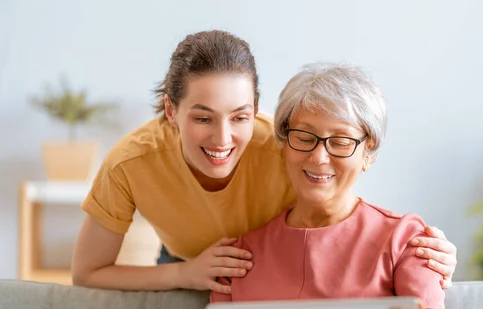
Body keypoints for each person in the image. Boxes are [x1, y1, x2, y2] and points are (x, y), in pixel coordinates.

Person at [71, 30, 458, 293]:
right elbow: (87, 273)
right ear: (171, 110)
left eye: (239, 117)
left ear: (256, 109)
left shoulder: (289, 146)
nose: (222, 139)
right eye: (203, 117)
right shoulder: (131, 163)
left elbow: (342, 216)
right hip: (185, 262)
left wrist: (418, 257)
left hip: (279, 264)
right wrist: (185, 273)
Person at [183, 62, 461, 309]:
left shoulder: (405, 238)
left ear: (368, 153)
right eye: (304, 137)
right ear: (284, 143)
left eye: (341, 141)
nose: (318, 157)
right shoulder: (241, 256)